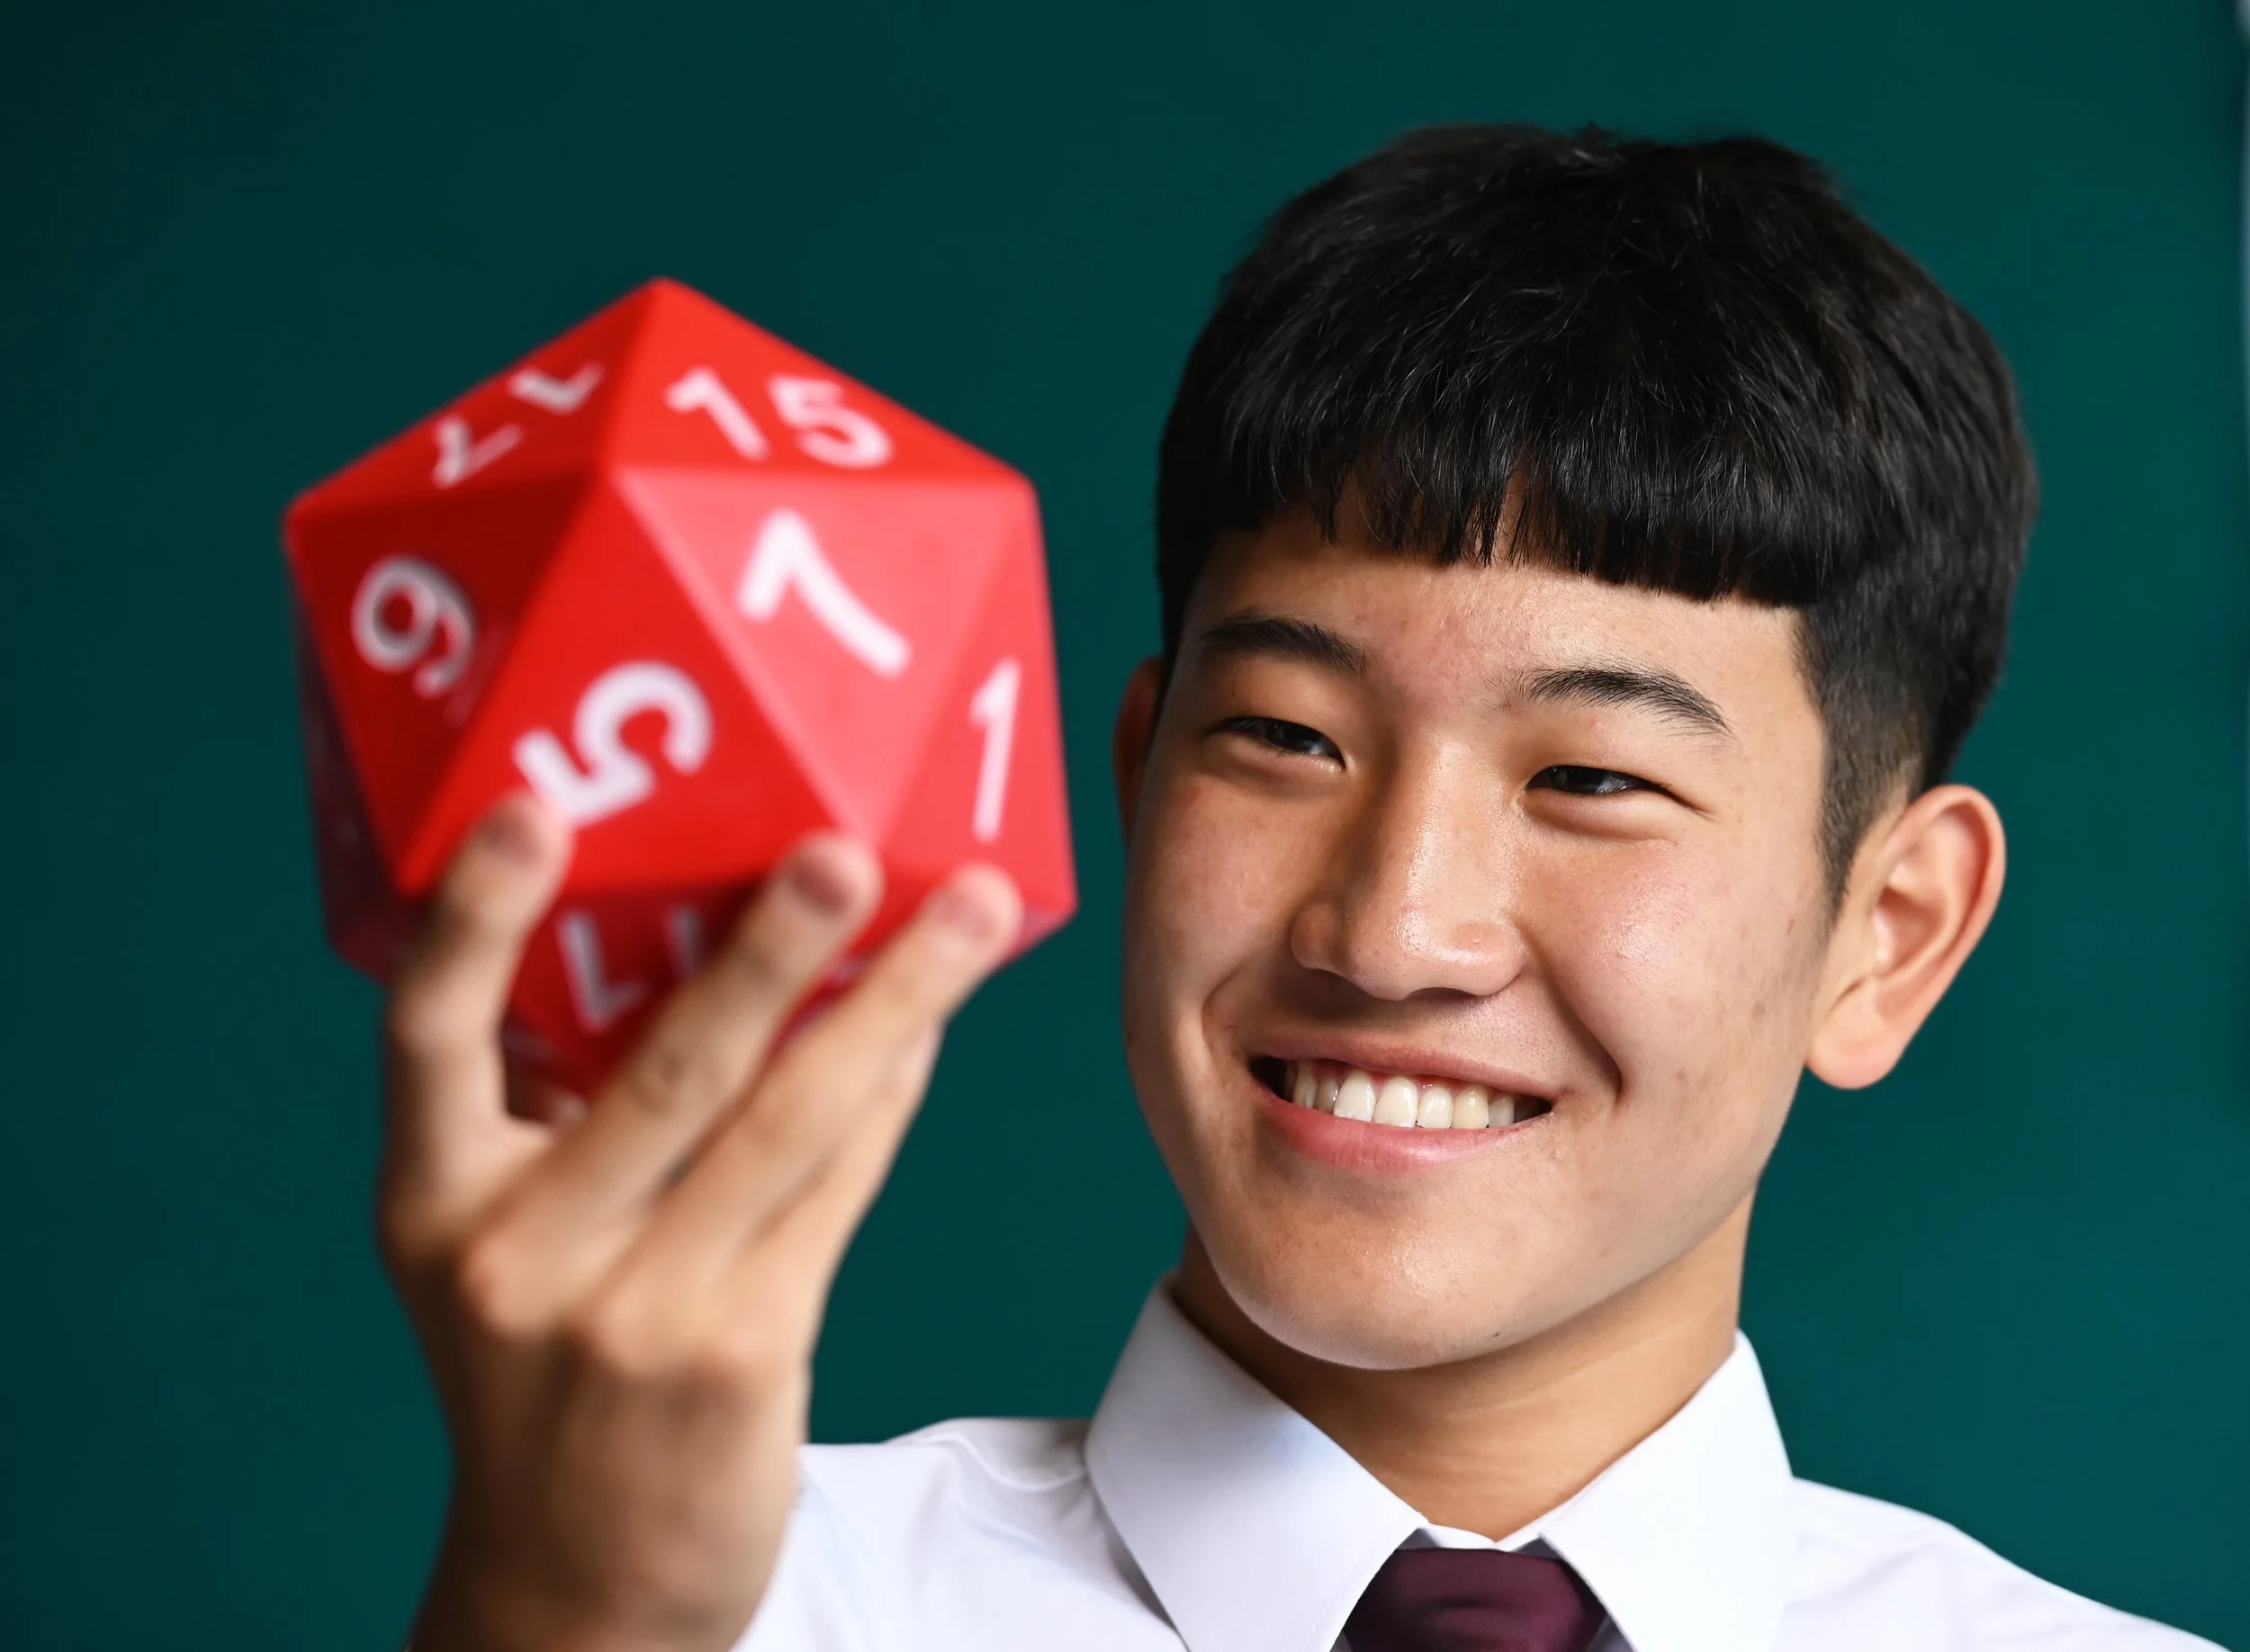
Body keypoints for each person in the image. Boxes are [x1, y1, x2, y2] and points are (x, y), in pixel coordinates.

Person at [381, 126, 2219, 1651]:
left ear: (1887, 938)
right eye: (1281, 738)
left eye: (1589, 780)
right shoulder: (701, 1612)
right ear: (1136, 779)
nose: (1389, 931)